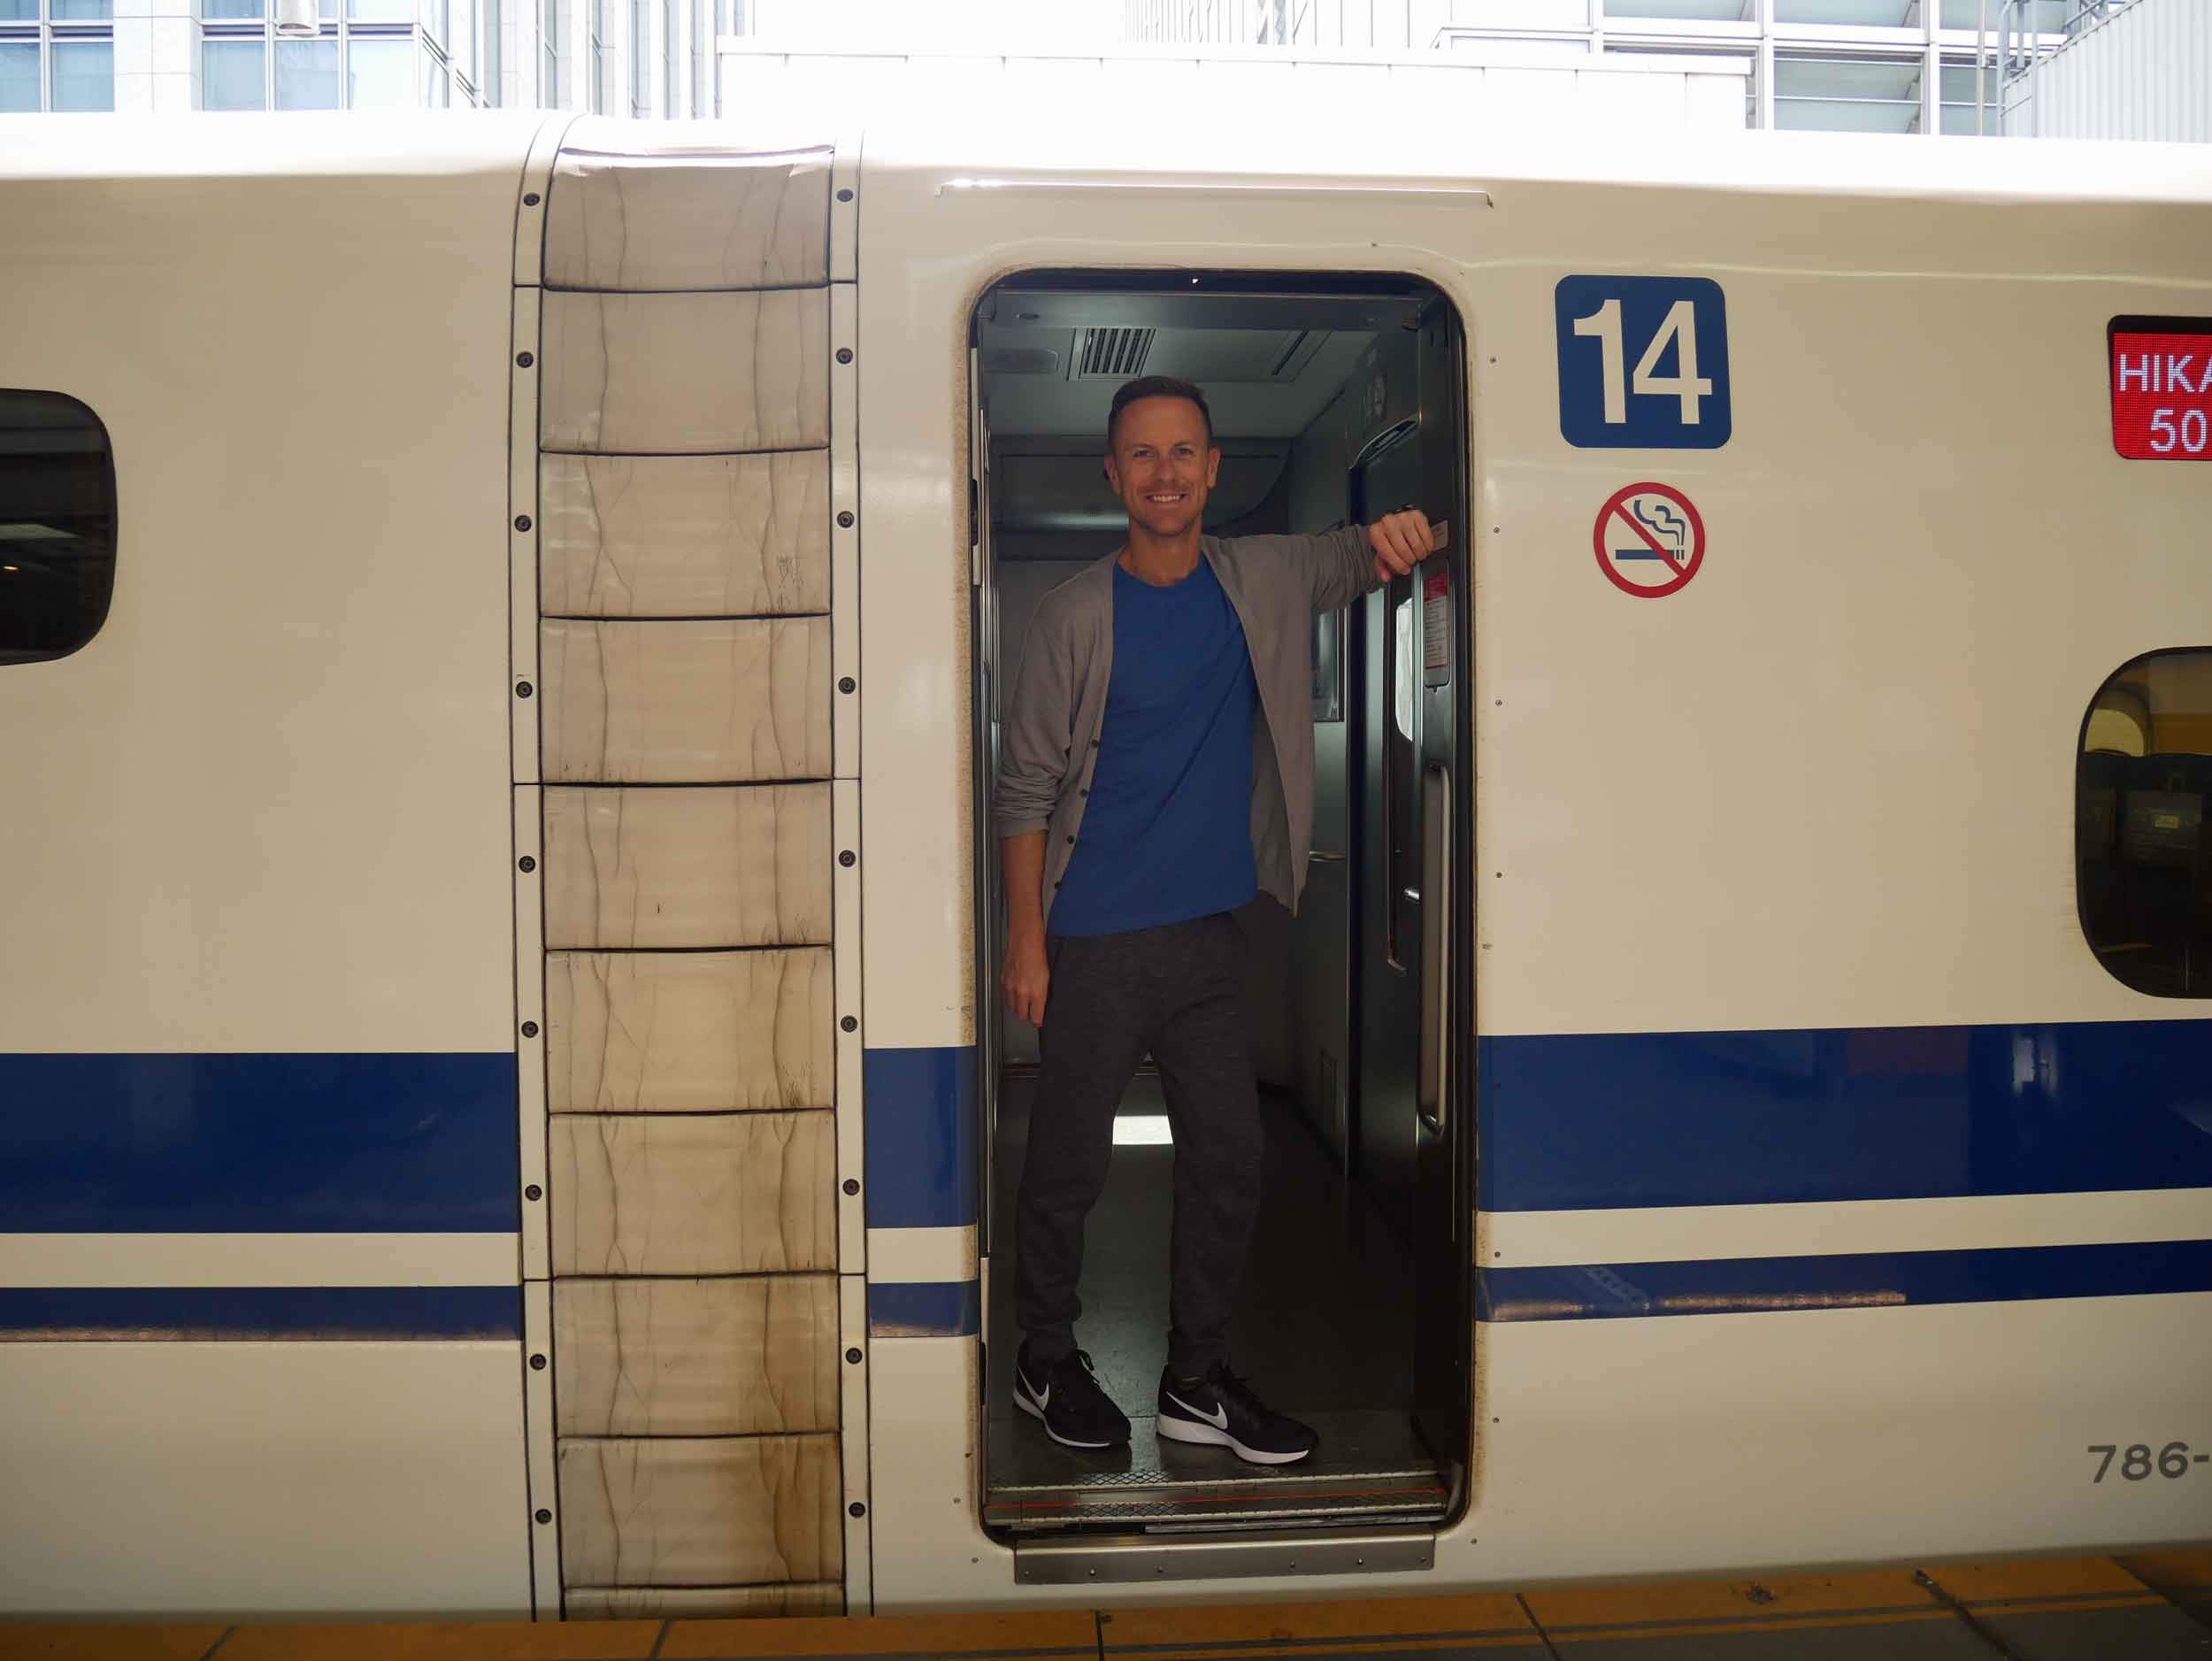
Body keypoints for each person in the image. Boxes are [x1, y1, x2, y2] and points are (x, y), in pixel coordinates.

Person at [994, 373, 1434, 1465]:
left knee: (1230, 1159)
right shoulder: (1073, 615)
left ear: (1213, 469)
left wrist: (1405, 531)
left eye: (1183, 452)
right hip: (1091, 939)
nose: (1165, 473)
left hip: (1206, 938)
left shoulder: (1263, 576)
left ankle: (1194, 1380)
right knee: (1066, 1167)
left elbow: (1354, 555)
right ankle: (1044, 1353)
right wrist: (1025, 942)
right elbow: (1025, 792)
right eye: (1142, 454)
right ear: (1114, 473)